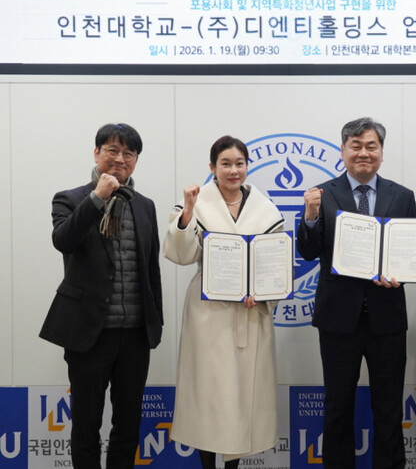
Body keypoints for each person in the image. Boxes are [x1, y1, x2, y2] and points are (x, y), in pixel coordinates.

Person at [40, 123, 163, 469]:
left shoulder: (145, 206)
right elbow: (63, 240)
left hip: (135, 334)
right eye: (112, 150)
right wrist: (98, 197)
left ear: (135, 160)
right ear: (96, 153)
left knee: (128, 424)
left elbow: (150, 268)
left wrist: (156, 323)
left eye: (129, 153)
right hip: (88, 333)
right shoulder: (70, 199)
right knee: (86, 424)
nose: (120, 159)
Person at [297, 117, 416, 469]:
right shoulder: (321, 194)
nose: (364, 153)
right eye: (356, 146)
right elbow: (307, 252)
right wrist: (310, 215)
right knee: (337, 407)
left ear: (381, 152)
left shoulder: (402, 196)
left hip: (387, 318)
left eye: (371, 146)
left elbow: (410, 253)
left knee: (389, 408)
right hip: (338, 319)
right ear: (343, 151)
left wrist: (401, 276)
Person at [163, 135, 284, 469]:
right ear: (212, 167)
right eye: (225, 164)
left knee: (243, 396)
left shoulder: (265, 208)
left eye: (239, 164)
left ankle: (233, 465)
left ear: (247, 166)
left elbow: (276, 264)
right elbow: (181, 254)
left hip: (251, 312)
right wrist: (188, 211)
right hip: (209, 314)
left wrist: (263, 292)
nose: (233, 171)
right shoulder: (197, 203)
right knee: (208, 394)